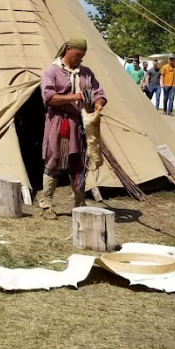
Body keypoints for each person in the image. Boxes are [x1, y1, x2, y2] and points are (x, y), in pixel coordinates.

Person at [40, 37, 107, 219]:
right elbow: (48, 97)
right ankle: (46, 205)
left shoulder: (86, 73)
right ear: (68, 49)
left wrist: (99, 104)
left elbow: (99, 92)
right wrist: (75, 97)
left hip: (80, 124)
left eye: (82, 56)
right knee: (54, 161)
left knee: (77, 164)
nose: (80, 59)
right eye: (77, 54)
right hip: (60, 122)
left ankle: (79, 203)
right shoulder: (52, 71)